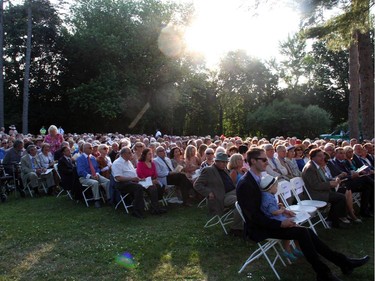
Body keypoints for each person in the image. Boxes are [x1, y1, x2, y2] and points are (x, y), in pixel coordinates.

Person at [237, 147, 370, 281]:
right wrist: (280, 223)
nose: (267, 162)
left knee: (306, 232)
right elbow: (253, 216)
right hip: (260, 228)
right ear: (253, 161)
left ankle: (342, 263)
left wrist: (280, 208)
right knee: (302, 233)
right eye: (264, 159)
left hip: (271, 220)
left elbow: (263, 204)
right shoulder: (245, 184)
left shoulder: (259, 177)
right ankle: (326, 272)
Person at [194, 152, 243, 236]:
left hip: (233, 192)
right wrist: (208, 192)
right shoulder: (209, 170)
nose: (225, 164)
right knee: (241, 203)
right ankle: (236, 228)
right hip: (222, 196)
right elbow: (197, 184)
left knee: (250, 198)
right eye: (222, 162)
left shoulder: (224, 170)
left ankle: (248, 224)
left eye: (226, 162)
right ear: (216, 161)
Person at [259, 174, 303, 261]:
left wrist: (278, 206)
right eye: (276, 186)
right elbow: (274, 212)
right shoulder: (268, 198)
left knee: (295, 226)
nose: (277, 188)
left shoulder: (266, 195)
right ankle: (291, 250)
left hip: (276, 218)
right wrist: (282, 210)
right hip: (275, 220)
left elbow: (271, 207)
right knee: (294, 227)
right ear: (270, 188)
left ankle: (293, 249)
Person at [302, 148, 349, 228]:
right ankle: (334, 221)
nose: (323, 158)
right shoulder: (310, 168)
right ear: (313, 157)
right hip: (315, 194)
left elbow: (323, 179)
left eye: (323, 155)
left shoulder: (316, 165)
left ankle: (333, 219)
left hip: (321, 191)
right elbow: (315, 185)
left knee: (343, 191)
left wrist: (333, 179)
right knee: (340, 198)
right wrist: (330, 184)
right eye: (320, 156)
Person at [111, 147, 145, 218]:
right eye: (129, 153)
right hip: (121, 184)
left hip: (131, 181)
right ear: (123, 154)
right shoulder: (117, 163)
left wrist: (139, 178)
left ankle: (145, 206)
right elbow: (118, 178)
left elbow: (132, 173)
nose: (131, 154)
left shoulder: (128, 162)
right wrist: (132, 178)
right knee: (138, 187)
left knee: (147, 183)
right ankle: (137, 211)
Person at [76, 143, 110, 208]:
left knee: (107, 181)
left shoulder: (93, 158)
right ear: (85, 149)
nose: (92, 149)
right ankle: (97, 200)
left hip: (95, 175)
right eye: (90, 148)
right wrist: (91, 176)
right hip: (84, 178)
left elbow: (97, 168)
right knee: (95, 182)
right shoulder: (80, 158)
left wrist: (96, 174)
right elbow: (80, 171)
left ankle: (108, 198)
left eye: (91, 147)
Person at [136, 148, 166, 214]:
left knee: (161, 186)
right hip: (143, 182)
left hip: (152, 181)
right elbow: (140, 175)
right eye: (149, 154)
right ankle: (155, 208)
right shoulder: (140, 164)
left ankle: (154, 206)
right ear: (145, 155)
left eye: (151, 154)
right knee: (153, 188)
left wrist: (154, 180)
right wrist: (150, 181)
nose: (151, 155)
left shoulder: (152, 164)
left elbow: (155, 174)